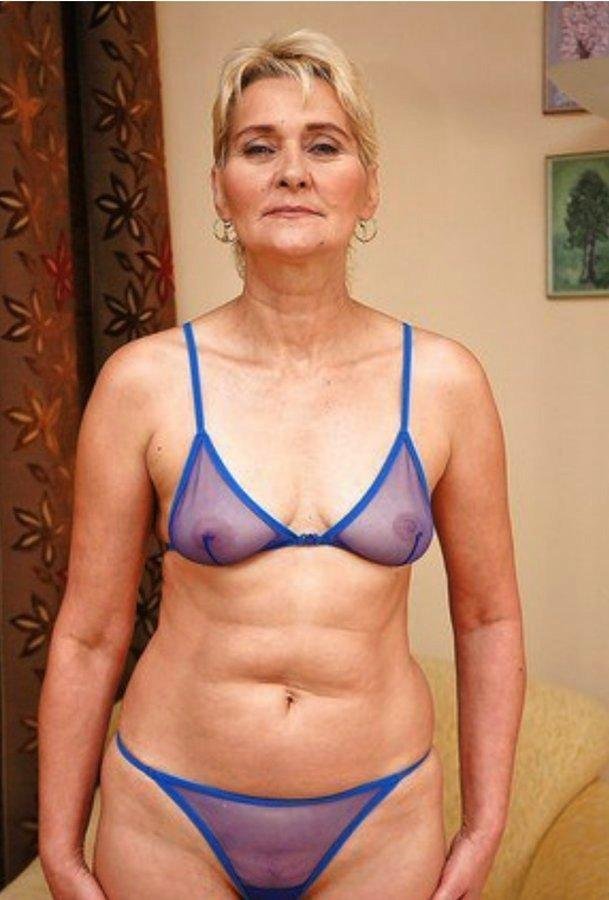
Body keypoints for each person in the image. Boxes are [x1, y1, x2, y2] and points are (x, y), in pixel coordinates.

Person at [38, 27, 526, 900]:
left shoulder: (445, 382)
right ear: (219, 188)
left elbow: (488, 618)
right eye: (258, 147)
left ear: (367, 187)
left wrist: (485, 823)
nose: (291, 172)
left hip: (378, 820)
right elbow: (88, 632)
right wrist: (60, 847)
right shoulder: (143, 382)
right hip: (167, 813)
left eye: (324, 146)